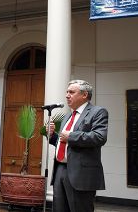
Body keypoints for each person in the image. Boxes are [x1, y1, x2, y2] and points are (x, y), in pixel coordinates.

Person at [46, 79, 108, 212]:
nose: (67, 95)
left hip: (81, 174)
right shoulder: (67, 116)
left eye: (71, 92)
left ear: (84, 95)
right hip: (60, 170)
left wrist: (71, 136)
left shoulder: (98, 112)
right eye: (67, 92)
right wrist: (52, 136)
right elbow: (62, 142)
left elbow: (99, 137)